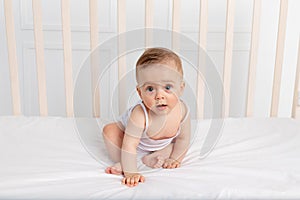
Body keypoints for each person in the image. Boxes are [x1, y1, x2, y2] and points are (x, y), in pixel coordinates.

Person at [102, 47, 191, 187]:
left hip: (159, 144)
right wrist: (131, 172)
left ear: (181, 88)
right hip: (130, 141)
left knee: (176, 146)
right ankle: (124, 161)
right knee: (109, 131)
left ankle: (156, 154)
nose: (159, 96)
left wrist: (175, 159)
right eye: (150, 89)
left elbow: (184, 138)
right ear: (140, 92)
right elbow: (129, 144)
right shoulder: (139, 114)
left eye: (167, 87)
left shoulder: (182, 110)